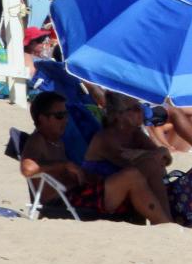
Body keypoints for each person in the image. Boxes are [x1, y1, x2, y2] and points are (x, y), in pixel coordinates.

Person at [21, 92, 171, 224]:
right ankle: (165, 224)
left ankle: (166, 222)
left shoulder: (57, 140)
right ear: (42, 119)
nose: (65, 120)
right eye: (59, 116)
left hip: (78, 193)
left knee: (141, 172)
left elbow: (164, 159)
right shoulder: (37, 140)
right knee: (131, 176)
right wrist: (64, 165)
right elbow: (27, 168)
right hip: (63, 201)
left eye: (66, 115)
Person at [83, 92, 174, 220]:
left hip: (126, 190)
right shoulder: (105, 138)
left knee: (154, 166)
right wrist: (156, 153)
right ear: (119, 115)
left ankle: (166, 220)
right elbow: (128, 163)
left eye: (141, 108)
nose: (142, 112)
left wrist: (157, 151)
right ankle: (166, 221)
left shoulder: (135, 134)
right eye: (136, 109)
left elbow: (166, 159)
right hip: (95, 194)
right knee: (147, 167)